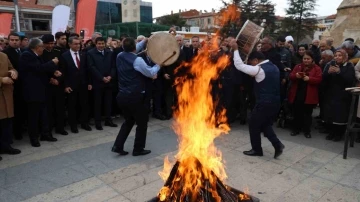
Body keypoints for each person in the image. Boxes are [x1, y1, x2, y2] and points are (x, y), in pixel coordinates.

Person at [230, 39, 285, 158]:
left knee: (253, 124)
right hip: (275, 102)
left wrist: (235, 50)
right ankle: (277, 145)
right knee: (264, 124)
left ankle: (257, 150)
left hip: (264, 102)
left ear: (256, 60)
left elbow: (239, 66)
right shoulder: (274, 66)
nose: (251, 65)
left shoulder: (259, 69)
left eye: (251, 63)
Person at [112, 37, 159, 156]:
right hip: (135, 96)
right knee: (142, 123)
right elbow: (151, 72)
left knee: (128, 121)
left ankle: (118, 146)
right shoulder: (137, 61)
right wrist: (160, 63)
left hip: (122, 95)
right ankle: (138, 149)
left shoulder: (120, 55)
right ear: (134, 46)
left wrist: (145, 41)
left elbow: (133, 48)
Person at [18, 38, 62, 147]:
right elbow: (38, 69)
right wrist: (52, 62)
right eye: (42, 46)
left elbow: (43, 69)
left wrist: (53, 73)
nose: (44, 48)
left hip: (42, 90)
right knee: (33, 117)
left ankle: (45, 134)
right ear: (37, 47)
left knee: (44, 114)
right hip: (32, 92)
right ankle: (34, 138)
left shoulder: (37, 56)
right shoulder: (27, 55)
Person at [288, 51, 322, 138]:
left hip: (309, 95)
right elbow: (291, 76)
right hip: (298, 93)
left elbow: (319, 79)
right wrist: (296, 76)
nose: (306, 60)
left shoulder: (317, 68)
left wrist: (309, 79)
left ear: (312, 59)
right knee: (297, 113)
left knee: (307, 114)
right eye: (304, 59)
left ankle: (307, 131)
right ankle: (296, 129)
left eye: (308, 59)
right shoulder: (298, 66)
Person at [62, 36, 92, 133]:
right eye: (75, 44)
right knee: (72, 106)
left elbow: (88, 70)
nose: (77, 45)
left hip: (83, 84)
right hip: (71, 85)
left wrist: (89, 82)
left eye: (79, 43)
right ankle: (73, 125)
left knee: (84, 104)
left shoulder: (84, 54)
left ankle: (84, 123)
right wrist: (66, 85)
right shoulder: (64, 55)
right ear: (69, 44)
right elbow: (64, 72)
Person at [87, 37, 117, 130]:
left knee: (108, 102)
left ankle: (108, 120)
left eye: (102, 43)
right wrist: (101, 78)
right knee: (98, 103)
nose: (101, 45)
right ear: (96, 44)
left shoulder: (110, 52)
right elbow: (91, 67)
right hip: (97, 82)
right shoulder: (90, 53)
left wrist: (110, 76)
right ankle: (98, 122)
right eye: (99, 44)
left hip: (109, 81)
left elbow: (113, 66)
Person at [0, 52, 21, 161]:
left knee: (6, 123)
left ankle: (6, 146)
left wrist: (14, 72)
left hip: (6, 95)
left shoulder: (3, 55)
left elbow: (11, 68)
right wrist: (1, 79)